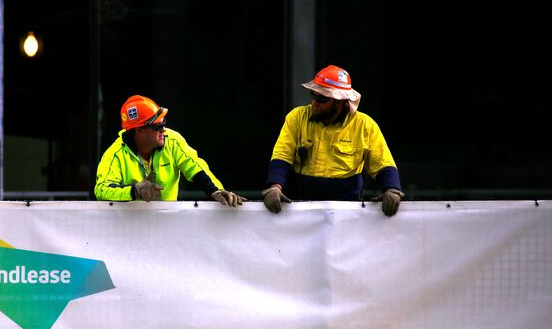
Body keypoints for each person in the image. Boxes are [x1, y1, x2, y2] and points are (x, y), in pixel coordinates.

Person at [263, 64, 404, 216]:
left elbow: (383, 164)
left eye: (322, 98)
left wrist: (393, 190)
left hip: (347, 215)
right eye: (313, 95)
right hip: (301, 211)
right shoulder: (296, 118)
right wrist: (274, 187)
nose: (314, 103)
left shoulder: (365, 125)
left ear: (340, 101)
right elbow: (281, 157)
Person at [95, 94, 245, 207]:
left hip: (167, 226)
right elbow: (101, 190)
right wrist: (134, 191)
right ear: (139, 131)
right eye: (157, 126)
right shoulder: (115, 154)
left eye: (163, 123)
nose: (164, 129)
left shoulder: (172, 140)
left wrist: (216, 191)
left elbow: (195, 166)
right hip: (130, 229)